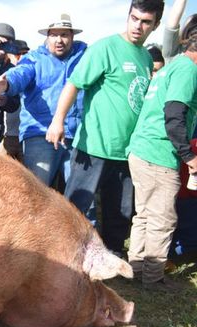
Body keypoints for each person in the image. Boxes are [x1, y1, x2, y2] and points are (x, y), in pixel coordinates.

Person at [46, 0, 164, 256]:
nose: (138, 26)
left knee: (120, 212)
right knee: (75, 208)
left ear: (156, 25)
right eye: (134, 18)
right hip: (94, 147)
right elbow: (74, 84)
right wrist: (58, 121)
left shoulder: (145, 56)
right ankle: (59, 258)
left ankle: (112, 261)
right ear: (128, 16)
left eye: (146, 22)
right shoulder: (105, 47)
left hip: (127, 152)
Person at [126, 24, 197, 291]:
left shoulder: (173, 65)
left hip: (141, 148)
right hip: (158, 152)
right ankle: (153, 278)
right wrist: (189, 156)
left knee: (144, 215)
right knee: (163, 218)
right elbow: (175, 114)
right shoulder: (189, 70)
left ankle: (136, 269)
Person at [0, 14, 87, 188]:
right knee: (38, 193)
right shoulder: (33, 58)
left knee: (81, 199)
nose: (59, 40)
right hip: (40, 134)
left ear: (72, 36)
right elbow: (20, 73)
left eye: (64, 34)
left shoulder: (85, 56)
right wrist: (6, 84)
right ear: (47, 37)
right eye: (54, 35)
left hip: (77, 135)